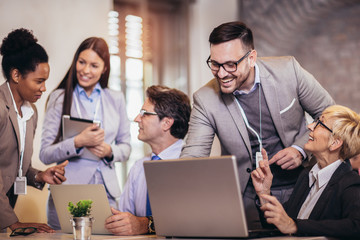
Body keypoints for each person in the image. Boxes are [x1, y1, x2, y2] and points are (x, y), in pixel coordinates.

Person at [180, 21, 335, 228]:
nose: (222, 74)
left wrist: (300, 150)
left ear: (251, 58)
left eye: (230, 64)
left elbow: (331, 115)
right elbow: (192, 158)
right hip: (245, 196)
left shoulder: (289, 71)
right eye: (215, 64)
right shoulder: (204, 99)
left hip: (301, 184)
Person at [39, 37, 131, 229]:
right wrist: (77, 142)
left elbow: (126, 147)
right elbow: (45, 154)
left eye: (94, 65)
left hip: (107, 192)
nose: (86, 70)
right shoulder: (59, 98)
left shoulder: (116, 98)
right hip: (69, 191)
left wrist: (109, 151)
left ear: (104, 68)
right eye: (82, 62)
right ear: (75, 62)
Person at [251, 105, 360, 238]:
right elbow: (278, 225)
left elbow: (355, 226)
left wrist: (294, 225)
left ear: (335, 143)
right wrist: (264, 193)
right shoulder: (306, 175)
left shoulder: (351, 183)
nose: (310, 126)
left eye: (320, 123)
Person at [0, 28, 68, 232]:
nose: (44, 88)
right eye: (39, 81)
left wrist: (40, 176)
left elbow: (16, 166)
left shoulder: (31, 113)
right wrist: (13, 222)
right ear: (16, 75)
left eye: (45, 81)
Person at [105, 85, 191, 235]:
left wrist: (144, 225)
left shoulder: (192, 164)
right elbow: (125, 217)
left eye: (144, 113)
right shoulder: (139, 167)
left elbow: (193, 220)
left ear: (167, 123)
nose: (137, 119)